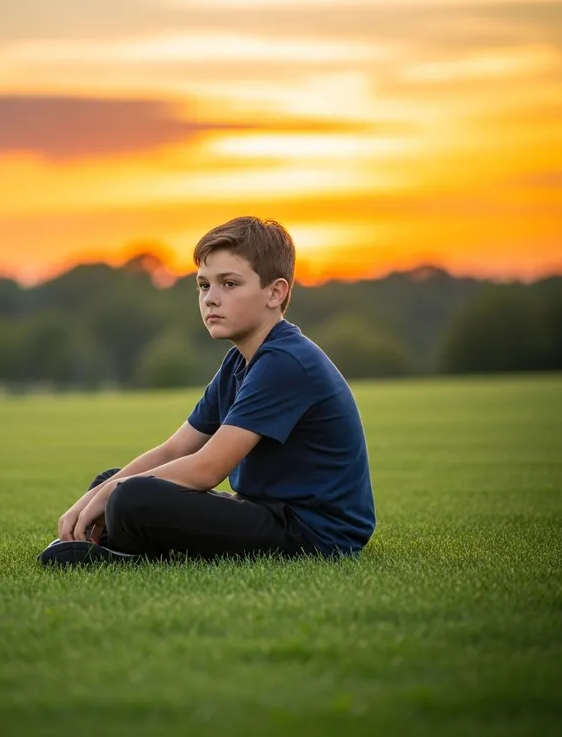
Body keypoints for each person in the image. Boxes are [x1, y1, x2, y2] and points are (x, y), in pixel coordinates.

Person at [38, 216, 376, 567]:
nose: (211, 299)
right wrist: (100, 492)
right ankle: (110, 542)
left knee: (129, 495)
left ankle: (125, 554)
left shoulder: (286, 361)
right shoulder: (239, 362)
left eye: (229, 284)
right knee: (113, 480)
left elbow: (208, 468)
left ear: (276, 293)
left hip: (314, 533)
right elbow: (175, 449)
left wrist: (113, 494)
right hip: (266, 511)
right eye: (203, 285)